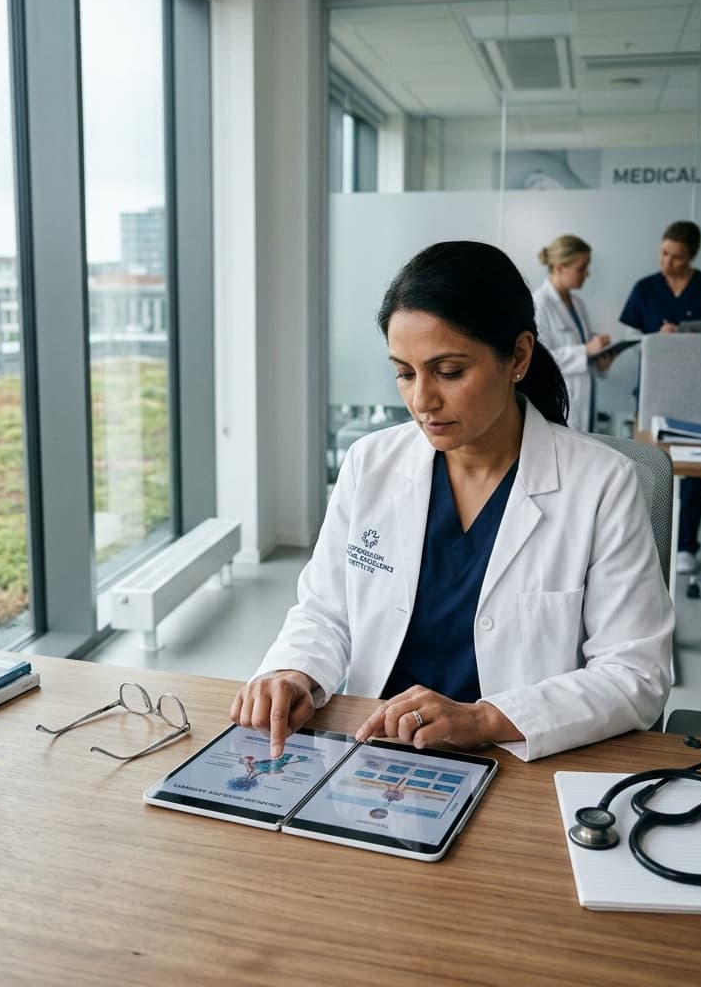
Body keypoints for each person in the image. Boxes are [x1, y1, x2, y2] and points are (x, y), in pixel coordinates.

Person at [230, 241, 674, 763]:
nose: (422, 401)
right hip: (374, 749)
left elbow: (634, 673)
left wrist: (484, 718)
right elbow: (326, 612)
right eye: (405, 373)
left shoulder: (602, 484)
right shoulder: (370, 463)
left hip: (514, 756)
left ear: (519, 357)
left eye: (449, 371)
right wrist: (292, 671)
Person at [619, 220, 701, 575]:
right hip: (652, 389)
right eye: (664, 253)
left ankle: (686, 545)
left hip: (697, 393)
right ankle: (642, 545)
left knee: (693, 469)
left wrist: (692, 341)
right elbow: (629, 340)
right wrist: (659, 339)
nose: (667, 262)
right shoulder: (646, 288)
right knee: (647, 466)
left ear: (693, 256)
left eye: (677, 257)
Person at [532, 235, 613, 433]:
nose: (587, 274)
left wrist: (599, 360)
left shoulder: (578, 304)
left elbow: (583, 356)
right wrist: (586, 350)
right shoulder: (539, 304)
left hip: (586, 400)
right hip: (561, 402)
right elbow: (541, 359)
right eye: (581, 268)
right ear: (560, 267)